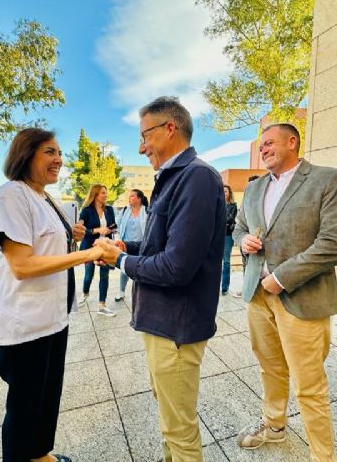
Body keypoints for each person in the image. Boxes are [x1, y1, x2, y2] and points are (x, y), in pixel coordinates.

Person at [96, 96, 225, 462]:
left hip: (177, 328)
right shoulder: (172, 178)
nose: (141, 147)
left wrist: (120, 259)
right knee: (169, 416)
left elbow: (176, 266)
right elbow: (161, 243)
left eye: (145, 135)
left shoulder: (197, 177)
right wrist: (128, 245)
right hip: (161, 322)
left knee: (179, 430)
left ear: (171, 128)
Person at [233, 123, 337, 462]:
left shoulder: (328, 179)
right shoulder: (255, 188)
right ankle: (274, 426)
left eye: (270, 143)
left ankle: (322, 456)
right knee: (270, 368)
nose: (264, 150)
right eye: (261, 146)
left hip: (301, 298)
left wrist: (283, 277)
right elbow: (239, 227)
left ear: (293, 142)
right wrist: (242, 241)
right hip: (257, 296)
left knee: (309, 386)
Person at [0, 128, 101, 462]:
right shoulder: (11, 195)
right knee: (24, 409)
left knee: (47, 398)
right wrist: (88, 254)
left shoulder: (45, 197)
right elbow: (21, 265)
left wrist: (74, 236)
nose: (59, 159)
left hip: (53, 320)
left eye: (59, 152)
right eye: (49, 151)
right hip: (24, 326)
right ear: (26, 154)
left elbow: (48, 246)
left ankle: (40, 454)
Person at [78, 184, 117, 317]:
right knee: (89, 275)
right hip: (89, 247)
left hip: (105, 247)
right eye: (103, 193)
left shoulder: (110, 210)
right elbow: (81, 231)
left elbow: (113, 225)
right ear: (95, 195)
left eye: (106, 193)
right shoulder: (86, 210)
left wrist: (110, 229)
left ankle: (102, 305)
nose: (106, 195)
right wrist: (97, 230)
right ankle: (85, 293)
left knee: (104, 275)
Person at [114, 189, 148, 303]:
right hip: (126, 245)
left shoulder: (147, 211)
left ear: (139, 198)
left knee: (140, 270)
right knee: (124, 269)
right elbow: (117, 224)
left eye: (132, 196)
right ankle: (121, 291)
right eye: (129, 197)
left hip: (141, 246)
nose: (130, 198)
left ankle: (140, 294)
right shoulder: (125, 210)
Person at [232, 175, 259, 299]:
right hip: (247, 245)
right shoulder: (246, 202)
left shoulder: (262, 200)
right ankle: (247, 287)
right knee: (245, 266)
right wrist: (242, 238)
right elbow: (239, 227)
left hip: (259, 245)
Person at [221, 184, 237, 295]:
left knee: (226, 261)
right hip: (216, 236)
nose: (223, 193)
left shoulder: (233, 205)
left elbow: (230, 219)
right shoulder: (216, 204)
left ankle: (225, 288)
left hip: (227, 236)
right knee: (214, 262)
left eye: (225, 191)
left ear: (229, 193)